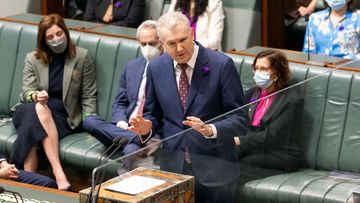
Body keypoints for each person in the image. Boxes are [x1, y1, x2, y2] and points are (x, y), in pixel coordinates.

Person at [128, 12, 248, 203]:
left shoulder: (221, 65)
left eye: (183, 40)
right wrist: (147, 129)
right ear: (161, 43)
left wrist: (210, 130)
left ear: (192, 33)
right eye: (171, 43)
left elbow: (240, 120)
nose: (180, 48)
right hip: (174, 169)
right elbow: (153, 115)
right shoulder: (156, 68)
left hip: (216, 169)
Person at [10, 14, 97, 190]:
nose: (56, 39)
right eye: (50, 37)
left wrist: (90, 121)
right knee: (37, 109)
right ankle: (59, 174)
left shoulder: (81, 56)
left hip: (62, 117)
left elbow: (89, 94)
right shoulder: (32, 58)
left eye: (59, 34)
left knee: (32, 124)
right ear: (44, 40)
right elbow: (27, 91)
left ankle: (28, 184)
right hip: (27, 108)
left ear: (65, 32)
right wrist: (35, 96)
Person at [83, 20, 163, 171]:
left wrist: (144, 130)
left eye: (152, 43)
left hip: (150, 132)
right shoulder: (132, 66)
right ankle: (136, 138)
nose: (147, 48)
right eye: (143, 43)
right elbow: (120, 102)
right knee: (89, 121)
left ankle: (139, 139)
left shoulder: (169, 70)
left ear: (161, 42)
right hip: (124, 129)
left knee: (131, 151)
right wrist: (121, 122)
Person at [234, 49, 303, 173]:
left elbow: (273, 136)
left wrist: (239, 141)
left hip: (280, 152)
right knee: (225, 154)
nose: (258, 73)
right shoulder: (251, 93)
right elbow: (239, 121)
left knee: (244, 162)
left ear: (277, 73)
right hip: (254, 146)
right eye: (256, 68)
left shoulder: (291, 99)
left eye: (264, 69)